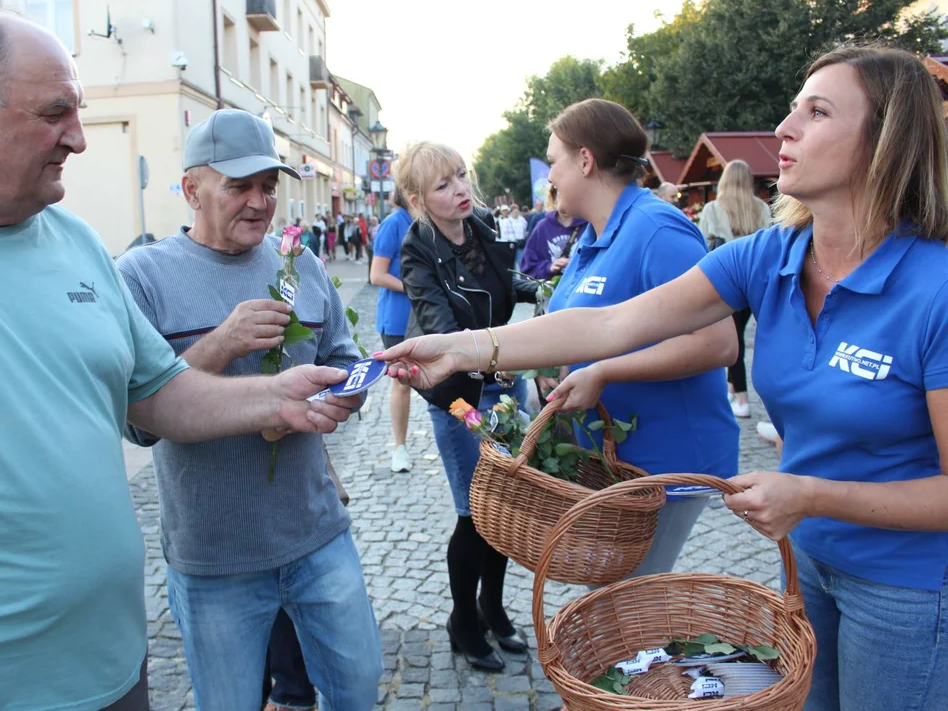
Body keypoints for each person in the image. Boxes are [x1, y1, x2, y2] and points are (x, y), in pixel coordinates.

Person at [380, 45, 948, 711]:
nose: (785, 128)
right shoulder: (774, 253)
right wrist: (464, 347)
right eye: (792, 107)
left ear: (884, 142)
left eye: (816, 112)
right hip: (810, 564)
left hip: (908, 587)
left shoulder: (932, 287)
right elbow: (611, 326)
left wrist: (810, 494)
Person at [0, 13, 355, 711]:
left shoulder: (76, 243)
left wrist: (280, 398)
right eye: (55, 112)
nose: (78, 136)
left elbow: (156, 394)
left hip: (111, 671)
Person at [116, 109, 382, 711]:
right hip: (216, 556)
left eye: (269, 185)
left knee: (359, 688)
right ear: (191, 189)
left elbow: (346, 361)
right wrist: (223, 343)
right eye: (239, 186)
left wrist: (343, 394)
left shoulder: (301, 265)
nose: (260, 202)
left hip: (316, 533)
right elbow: (135, 422)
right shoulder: (143, 277)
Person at [539, 98, 739, 576]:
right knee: (608, 600)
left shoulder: (656, 227)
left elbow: (719, 343)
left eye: (553, 162)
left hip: (662, 462)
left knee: (624, 606)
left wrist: (604, 371)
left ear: (585, 160)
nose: (549, 178)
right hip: (611, 459)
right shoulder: (590, 236)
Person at [395, 141, 537, 672]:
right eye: (443, 184)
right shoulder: (417, 249)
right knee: (475, 510)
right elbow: (439, 329)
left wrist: (547, 289)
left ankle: (492, 608)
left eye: (460, 176)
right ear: (418, 199)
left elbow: (504, 284)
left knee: (504, 504)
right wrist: (489, 357)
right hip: (460, 396)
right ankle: (463, 620)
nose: (459, 189)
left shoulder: (480, 224)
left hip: (506, 384)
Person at [698, 159, 774, 419]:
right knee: (744, 337)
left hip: (725, 282)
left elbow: (703, 243)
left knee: (732, 340)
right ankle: (734, 390)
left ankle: (741, 398)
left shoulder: (713, 209)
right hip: (757, 281)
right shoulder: (762, 208)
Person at [370, 186, 416, 473]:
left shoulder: (429, 221)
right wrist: (415, 290)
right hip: (398, 318)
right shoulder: (392, 224)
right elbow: (377, 274)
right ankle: (399, 448)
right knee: (402, 383)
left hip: (428, 317)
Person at [519, 185, 587, 281]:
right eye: (560, 195)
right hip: (551, 291)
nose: (564, 200)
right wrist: (549, 268)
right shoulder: (542, 227)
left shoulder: (589, 226)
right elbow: (527, 269)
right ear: (553, 198)